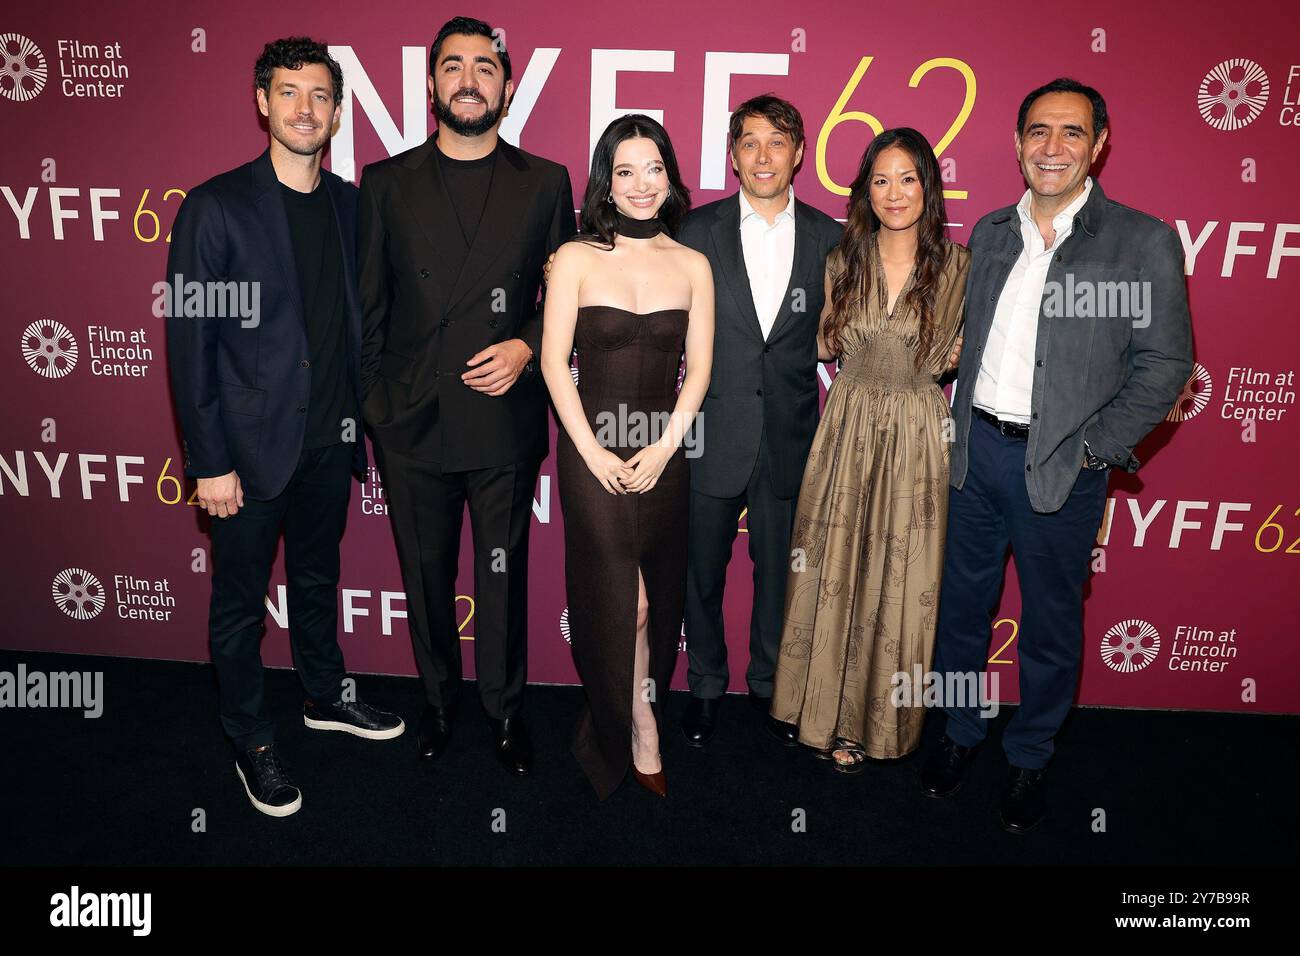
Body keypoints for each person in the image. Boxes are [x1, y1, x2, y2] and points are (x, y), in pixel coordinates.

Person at [922, 78, 1193, 833]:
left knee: (1048, 628)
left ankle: (1030, 756)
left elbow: (1165, 364)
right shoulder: (991, 232)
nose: (1052, 147)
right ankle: (959, 733)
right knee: (959, 618)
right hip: (974, 459)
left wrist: (1094, 450)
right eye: (1038, 132)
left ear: (1099, 145)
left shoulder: (1140, 241)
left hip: (1063, 470)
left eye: (1071, 133)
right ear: (1016, 144)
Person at [166, 37, 404, 819]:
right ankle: (249, 738)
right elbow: (190, 345)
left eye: (322, 96)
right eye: (290, 93)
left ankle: (325, 695)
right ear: (263, 101)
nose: (307, 109)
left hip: (330, 442)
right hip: (244, 454)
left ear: (337, 111)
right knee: (238, 603)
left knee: (316, 580)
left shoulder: (351, 203)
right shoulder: (216, 204)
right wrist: (209, 462)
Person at [357, 17, 575, 776]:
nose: (469, 80)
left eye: (485, 67)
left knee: (501, 577)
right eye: (453, 66)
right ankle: (439, 704)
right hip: (412, 419)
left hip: (501, 419)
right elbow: (368, 309)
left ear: (508, 86)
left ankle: (507, 712)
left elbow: (564, 300)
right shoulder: (384, 183)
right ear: (430, 85)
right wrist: (374, 411)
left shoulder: (545, 181)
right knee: (424, 580)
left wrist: (526, 346)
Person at [771, 128, 969, 771]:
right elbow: (823, 345)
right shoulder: (839, 262)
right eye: (880, 180)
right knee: (832, 571)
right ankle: (819, 712)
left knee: (901, 580)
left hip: (917, 434)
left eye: (907, 178)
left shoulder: (961, 267)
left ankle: (873, 727)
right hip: (847, 429)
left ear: (928, 186)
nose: (894, 192)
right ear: (864, 191)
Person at [541, 115, 713, 799]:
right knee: (625, 605)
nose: (642, 185)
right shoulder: (577, 258)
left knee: (657, 603)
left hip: (664, 458)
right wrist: (592, 454)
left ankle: (636, 712)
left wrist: (666, 446)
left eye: (654, 169)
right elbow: (555, 364)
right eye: (625, 171)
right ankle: (635, 723)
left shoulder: (692, 264)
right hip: (592, 458)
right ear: (605, 183)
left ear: (669, 177)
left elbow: (698, 370)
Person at [675, 95, 844, 747]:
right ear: (733, 154)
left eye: (778, 142)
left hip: (790, 435)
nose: (764, 155)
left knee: (782, 575)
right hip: (709, 433)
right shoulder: (694, 230)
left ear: (800, 153)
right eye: (750, 142)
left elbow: (836, 336)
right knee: (700, 572)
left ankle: (773, 686)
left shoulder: (832, 237)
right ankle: (707, 685)